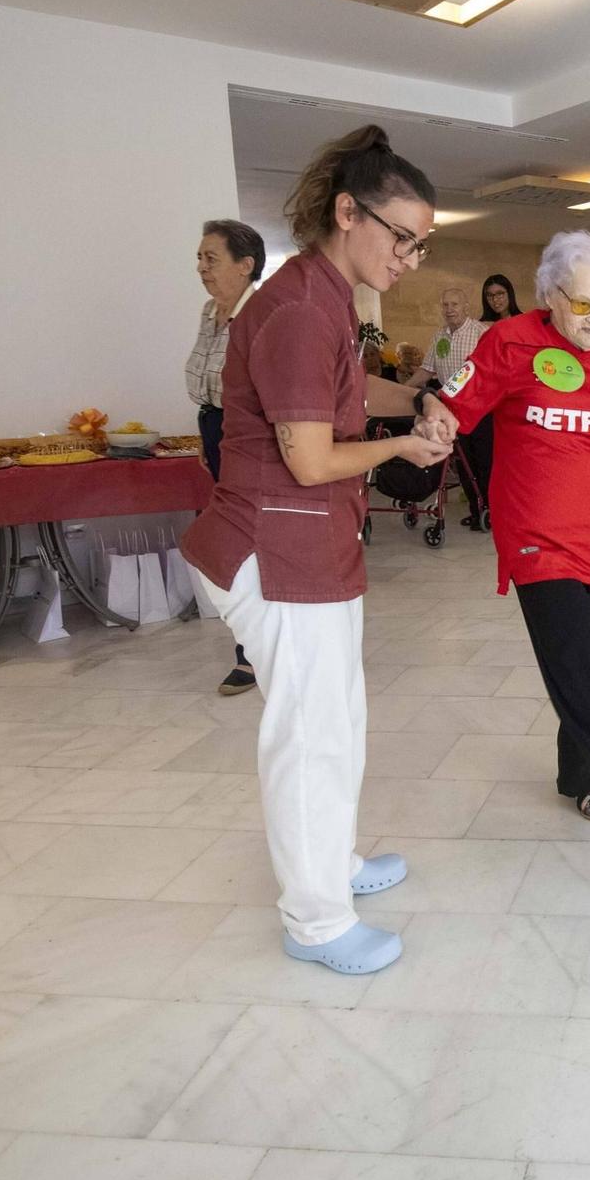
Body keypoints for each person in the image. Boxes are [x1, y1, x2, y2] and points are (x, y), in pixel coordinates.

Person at [180, 124, 451, 978]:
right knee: (308, 733)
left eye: (420, 243)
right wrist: (402, 446)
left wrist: (412, 397)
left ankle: (332, 866)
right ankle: (315, 919)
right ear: (348, 211)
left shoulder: (325, 296)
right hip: (278, 547)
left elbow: (341, 387)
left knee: (338, 720)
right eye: (402, 237)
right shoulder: (299, 308)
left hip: (313, 543)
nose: (409, 257)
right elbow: (309, 456)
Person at [422, 231, 590, 843]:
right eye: (583, 305)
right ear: (550, 295)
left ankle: (578, 776)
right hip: (535, 538)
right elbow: (454, 405)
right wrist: (434, 420)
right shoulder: (510, 342)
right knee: (577, 660)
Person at [185, 217, 266, 696]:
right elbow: (204, 382)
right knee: (230, 540)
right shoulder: (209, 311)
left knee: (247, 544)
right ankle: (251, 642)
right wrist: (203, 434)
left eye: (210, 258)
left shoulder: (261, 315)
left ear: (246, 265)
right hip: (214, 428)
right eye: (199, 258)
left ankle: (253, 654)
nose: (201, 267)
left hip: (244, 436)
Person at [411, 286, 493, 529]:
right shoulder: (439, 336)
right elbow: (427, 370)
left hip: (479, 409)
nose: (449, 309)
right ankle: (475, 509)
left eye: (454, 305)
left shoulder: (481, 332)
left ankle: (491, 511)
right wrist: (401, 388)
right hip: (451, 411)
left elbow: (488, 372)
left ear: (466, 307)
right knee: (463, 461)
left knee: (485, 462)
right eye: (445, 305)